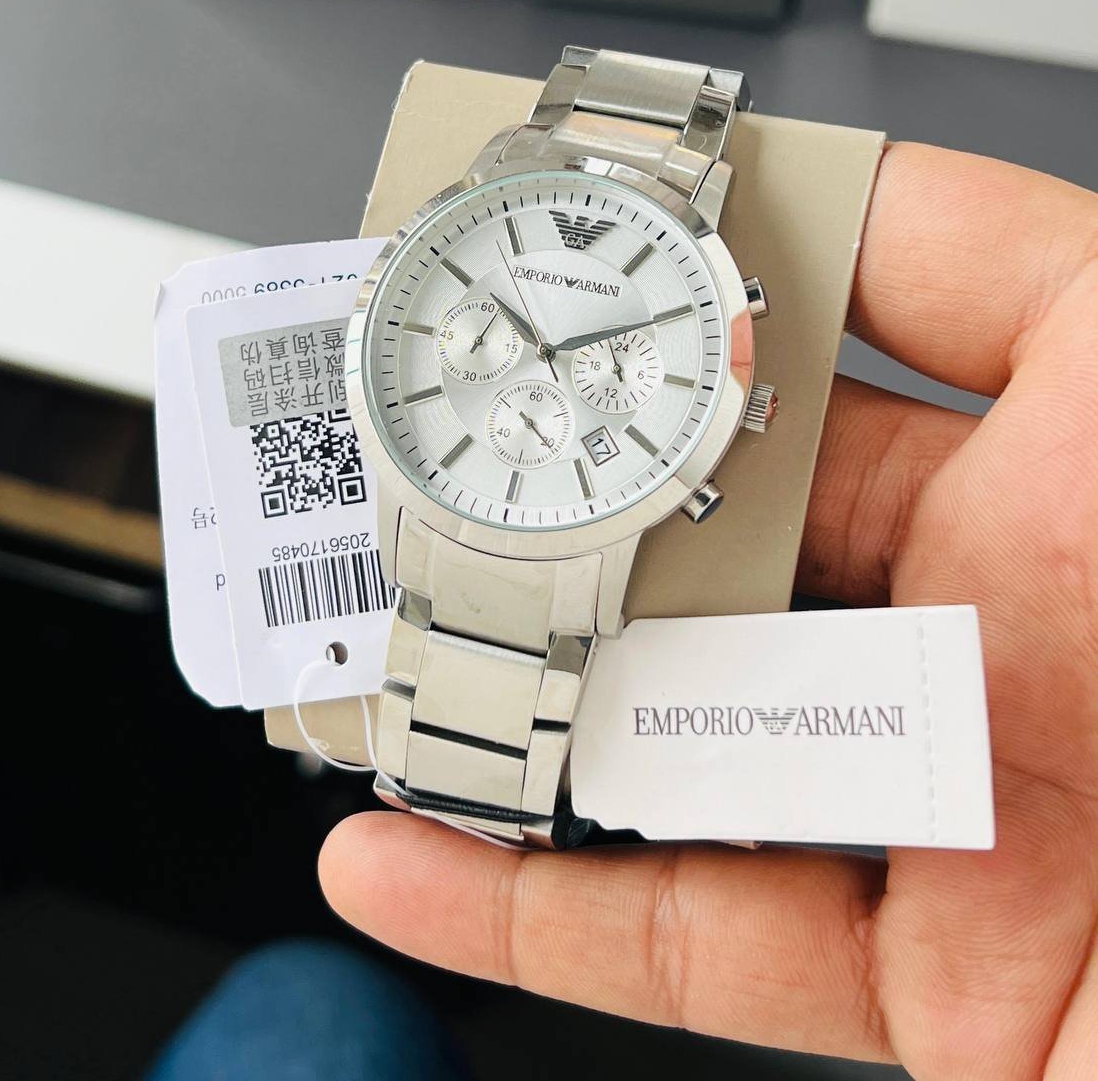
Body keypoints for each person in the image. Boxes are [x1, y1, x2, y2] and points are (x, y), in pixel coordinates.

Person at [319, 142, 1098, 1080]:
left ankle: (470, 774)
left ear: (746, 403)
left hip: (587, 527)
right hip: (451, 489)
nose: (551, 353)